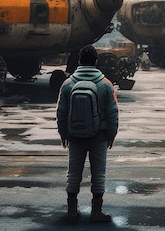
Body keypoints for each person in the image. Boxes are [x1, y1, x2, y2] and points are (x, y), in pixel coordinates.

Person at [56, 45, 119, 222]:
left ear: (79, 62)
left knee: (73, 173)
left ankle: (71, 210)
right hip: (99, 136)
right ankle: (96, 212)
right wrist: (111, 135)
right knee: (98, 174)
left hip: (75, 135)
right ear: (96, 62)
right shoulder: (106, 84)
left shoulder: (68, 84)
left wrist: (64, 134)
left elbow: (61, 112)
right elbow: (112, 113)